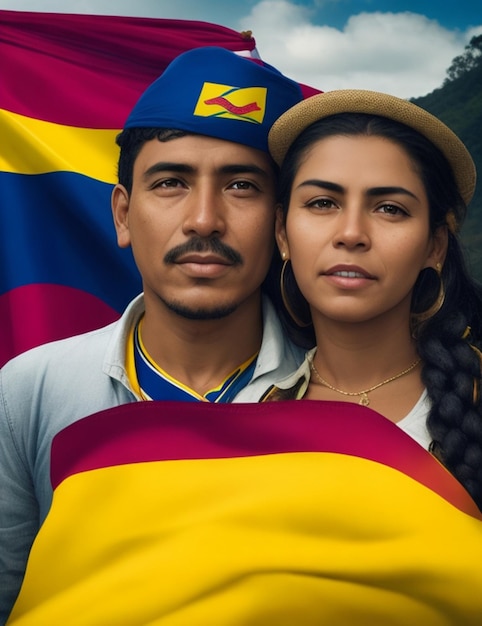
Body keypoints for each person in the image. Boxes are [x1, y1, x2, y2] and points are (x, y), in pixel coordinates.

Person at [0, 46, 315, 623]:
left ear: (282, 224)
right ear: (122, 215)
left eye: (241, 185)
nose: (203, 219)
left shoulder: (337, 391)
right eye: (170, 182)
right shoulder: (28, 390)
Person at [262, 89, 482, 620]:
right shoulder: (246, 413)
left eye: (389, 208)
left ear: (434, 246)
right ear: (282, 234)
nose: (352, 234)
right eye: (322, 203)